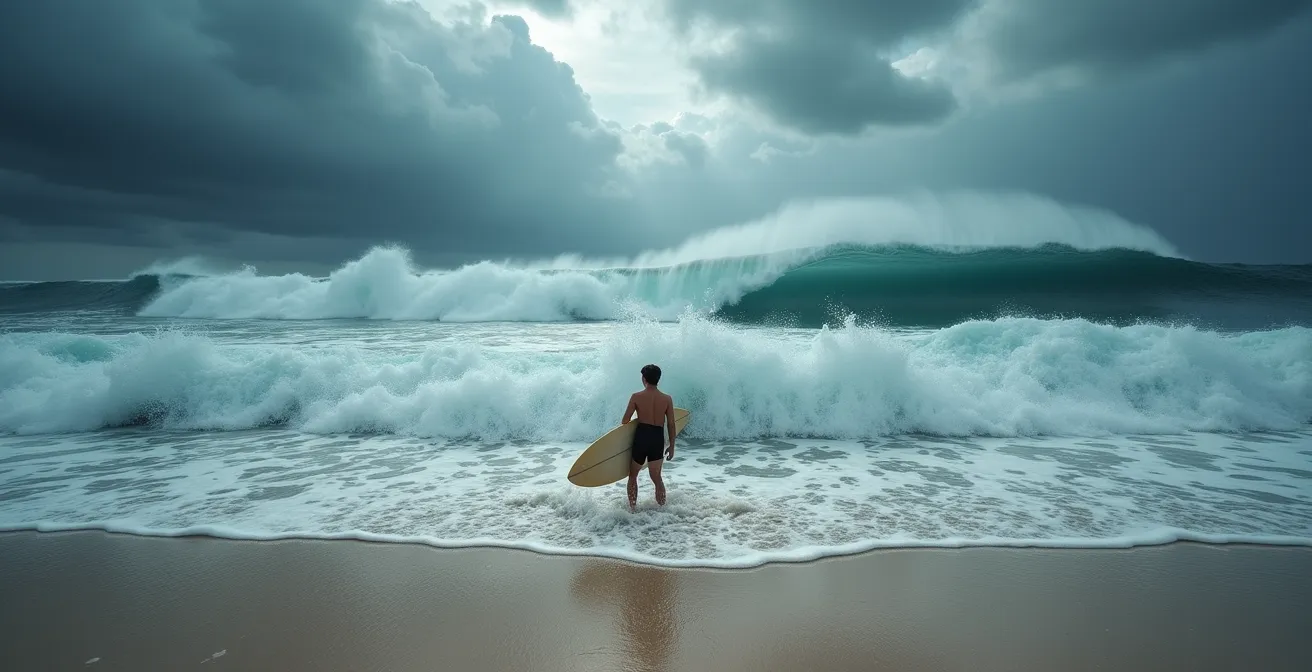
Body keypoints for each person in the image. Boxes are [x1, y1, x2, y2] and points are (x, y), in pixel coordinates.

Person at [622, 363, 676, 511]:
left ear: (644, 378)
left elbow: (625, 420)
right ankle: (662, 508)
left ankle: (633, 509)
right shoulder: (667, 399)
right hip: (657, 438)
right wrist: (672, 446)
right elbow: (671, 424)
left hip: (642, 436)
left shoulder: (636, 397)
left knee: (633, 475)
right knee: (656, 477)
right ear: (658, 379)